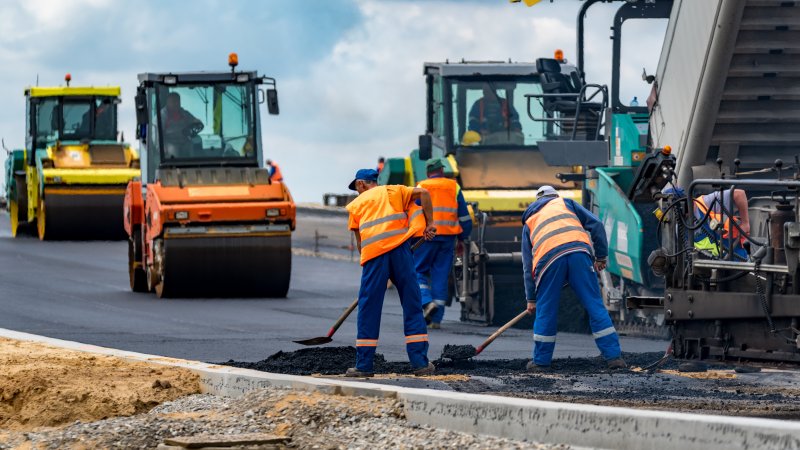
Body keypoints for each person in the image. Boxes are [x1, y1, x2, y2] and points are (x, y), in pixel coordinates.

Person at [521, 185, 625, 372]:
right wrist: (601, 256)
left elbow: (528, 266)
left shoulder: (530, 219)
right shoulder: (566, 203)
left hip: (548, 260)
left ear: (537, 201)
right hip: (579, 253)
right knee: (595, 305)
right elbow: (597, 225)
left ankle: (541, 362)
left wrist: (531, 298)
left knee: (546, 310)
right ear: (555, 196)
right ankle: (614, 358)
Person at [344, 169, 437, 377]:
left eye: (357, 188)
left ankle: (364, 366)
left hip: (375, 256)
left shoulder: (356, 205)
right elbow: (424, 193)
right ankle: (420, 363)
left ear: (361, 184)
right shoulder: (394, 191)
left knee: (369, 308)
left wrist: (373, 272)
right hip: (401, 252)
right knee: (412, 304)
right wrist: (430, 223)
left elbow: (360, 244)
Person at [413, 159, 472, 329]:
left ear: (428, 172)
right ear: (441, 170)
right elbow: (464, 218)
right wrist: (463, 238)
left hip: (425, 237)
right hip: (447, 238)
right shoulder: (454, 187)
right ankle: (436, 320)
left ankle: (426, 302)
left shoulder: (421, 186)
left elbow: (414, 212)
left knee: (417, 271)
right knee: (440, 277)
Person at [693, 188, 750, 261]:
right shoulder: (679, 224)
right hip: (707, 266)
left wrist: (745, 223)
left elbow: (739, 194)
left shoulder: (706, 202)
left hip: (736, 259)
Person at [161, 92, 203, 158]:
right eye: (173, 101)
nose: (176, 104)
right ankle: (173, 167)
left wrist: (197, 122)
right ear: (168, 102)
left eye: (178, 101)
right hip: (169, 142)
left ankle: (193, 165)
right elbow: (157, 135)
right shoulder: (162, 116)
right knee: (173, 150)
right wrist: (161, 147)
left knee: (193, 145)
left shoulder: (184, 113)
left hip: (184, 140)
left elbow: (193, 120)